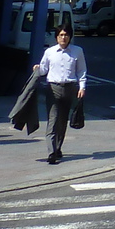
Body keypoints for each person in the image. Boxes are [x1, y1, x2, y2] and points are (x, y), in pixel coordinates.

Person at [34, 25, 87, 164]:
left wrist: (82, 87)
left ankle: (58, 148)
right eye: (61, 35)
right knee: (53, 120)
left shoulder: (77, 51)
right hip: (53, 88)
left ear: (70, 37)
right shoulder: (50, 52)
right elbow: (44, 69)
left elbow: (81, 70)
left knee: (63, 121)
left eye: (66, 35)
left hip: (70, 88)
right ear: (56, 37)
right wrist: (37, 69)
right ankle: (51, 152)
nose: (63, 38)